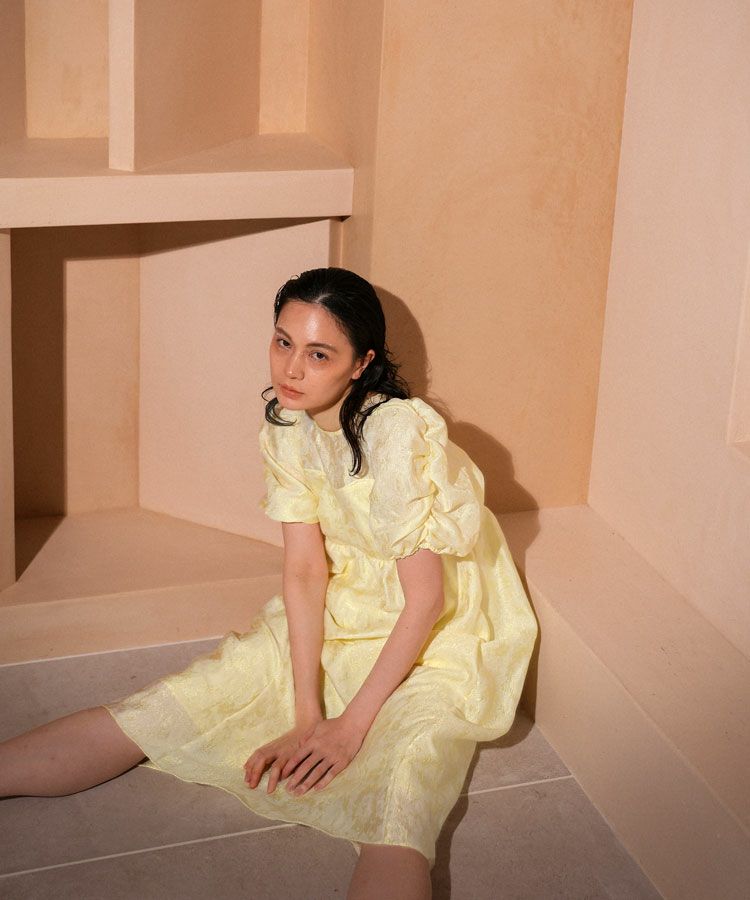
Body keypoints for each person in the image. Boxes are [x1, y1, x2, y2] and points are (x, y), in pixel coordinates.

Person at [0, 267, 538, 899]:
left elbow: (428, 600)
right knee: (177, 701)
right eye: (283, 342)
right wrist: (307, 711)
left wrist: (349, 728)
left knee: (400, 794)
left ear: (362, 363)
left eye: (319, 354)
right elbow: (306, 569)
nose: (291, 369)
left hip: (437, 634)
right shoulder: (287, 422)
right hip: (344, 602)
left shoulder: (398, 433)